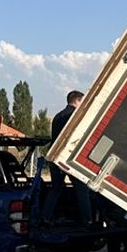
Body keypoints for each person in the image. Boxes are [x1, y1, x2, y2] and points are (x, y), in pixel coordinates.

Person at [41, 90, 92, 226]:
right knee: (81, 188)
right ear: (77, 100)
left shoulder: (57, 116)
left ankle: (45, 217)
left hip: (54, 157)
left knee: (56, 189)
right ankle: (87, 220)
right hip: (69, 159)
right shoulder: (75, 116)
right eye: (82, 101)